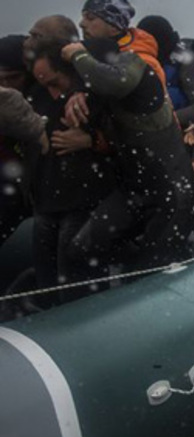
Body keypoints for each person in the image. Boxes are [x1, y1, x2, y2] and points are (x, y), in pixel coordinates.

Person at [62, 37, 194, 273]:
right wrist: (76, 92)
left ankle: (159, 268)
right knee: (81, 249)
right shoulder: (92, 94)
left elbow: (111, 82)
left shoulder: (139, 78)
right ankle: (128, 274)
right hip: (133, 189)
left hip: (173, 192)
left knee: (154, 266)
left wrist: (78, 55)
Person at [27, 39, 115, 305]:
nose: (51, 93)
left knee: (78, 275)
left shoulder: (93, 98)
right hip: (45, 201)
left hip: (83, 201)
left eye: (55, 84)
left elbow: (132, 138)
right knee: (46, 274)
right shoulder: (37, 96)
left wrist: (95, 140)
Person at [136, 16, 194, 132]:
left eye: (145, 41)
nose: (141, 46)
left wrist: (165, 120)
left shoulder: (187, 62)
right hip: (146, 133)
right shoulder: (144, 59)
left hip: (180, 134)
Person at [0, 35, 40, 246]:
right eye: (1, 79)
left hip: (35, 193)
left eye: (14, 78)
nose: (7, 86)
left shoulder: (46, 100)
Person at [78, 0, 165, 87]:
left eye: (90, 18)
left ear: (114, 27)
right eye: (83, 17)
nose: (81, 24)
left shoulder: (146, 62)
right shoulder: (86, 53)